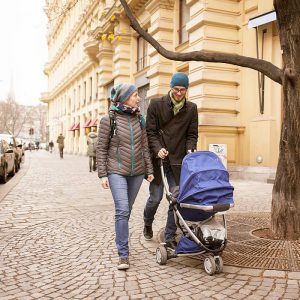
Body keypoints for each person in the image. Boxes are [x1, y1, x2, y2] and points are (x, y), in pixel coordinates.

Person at [96, 83, 154, 270]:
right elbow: (101, 148)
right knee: (121, 209)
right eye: (135, 95)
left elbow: (145, 147)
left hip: (136, 172)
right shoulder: (108, 119)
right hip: (116, 171)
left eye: (138, 95)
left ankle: (120, 235)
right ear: (124, 97)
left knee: (126, 211)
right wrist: (103, 174)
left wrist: (149, 170)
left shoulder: (140, 119)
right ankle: (123, 253)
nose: (138, 98)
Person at [143, 72, 198, 249]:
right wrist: (158, 149)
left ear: (187, 89)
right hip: (159, 158)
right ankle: (147, 222)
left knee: (176, 199)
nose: (179, 93)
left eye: (183, 90)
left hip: (178, 160)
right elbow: (150, 132)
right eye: (176, 89)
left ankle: (169, 236)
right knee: (156, 197)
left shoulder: (191, 108)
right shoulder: (156, 105)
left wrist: (190, 149)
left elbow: (192, 134)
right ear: (171, 87)